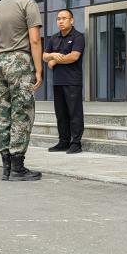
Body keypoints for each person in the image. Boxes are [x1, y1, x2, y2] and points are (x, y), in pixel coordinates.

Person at [0, 0, 44, 182]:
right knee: (22, 113)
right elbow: (34, 40)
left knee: (4, 113)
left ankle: (6, 166)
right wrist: (39, 69)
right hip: (19, 61)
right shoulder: (28, 4)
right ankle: (17, 167)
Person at [43, 9, 86, 154]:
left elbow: (74, 56)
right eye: (58, 19)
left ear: (71, 20)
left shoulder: (78, 37)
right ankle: (63, 141)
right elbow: (44, 56)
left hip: (72, 81)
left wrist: (54, 60)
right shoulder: (54, 38)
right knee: (60, 114)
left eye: (64, 18)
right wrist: (53, 56)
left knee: (74, 113)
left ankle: (76, 143)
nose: (60, 21)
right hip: (58, 81)